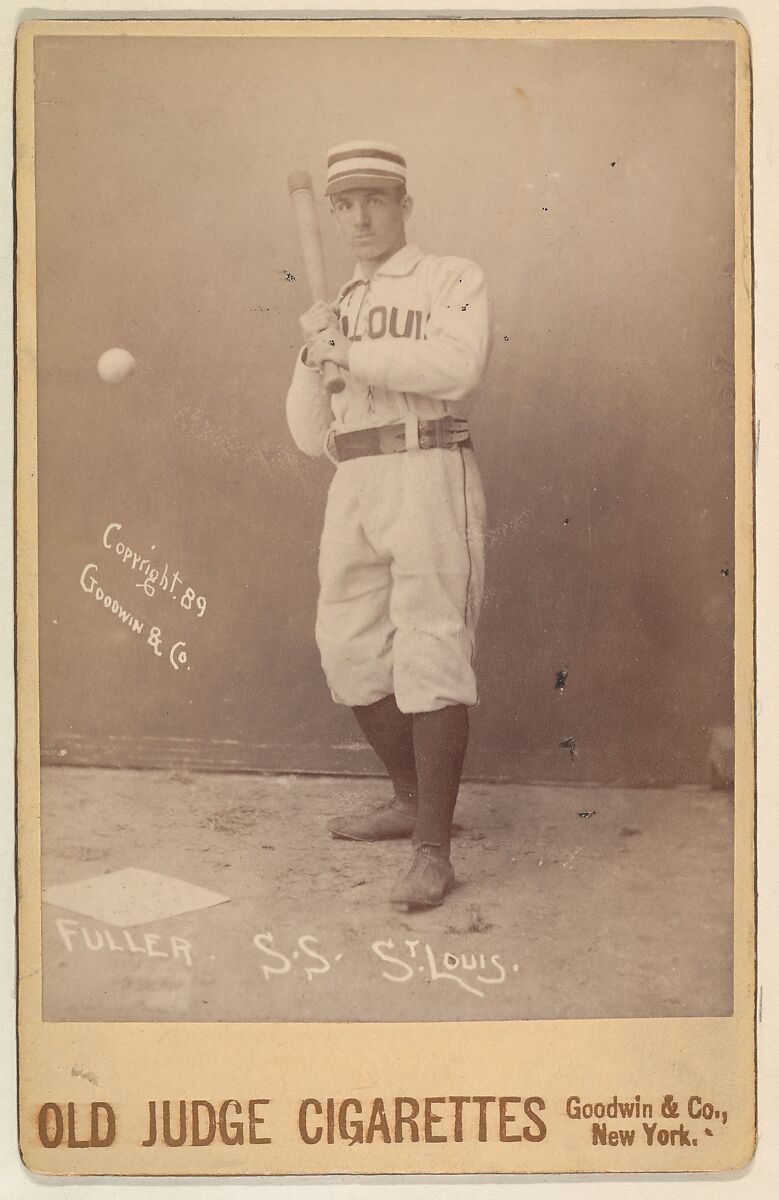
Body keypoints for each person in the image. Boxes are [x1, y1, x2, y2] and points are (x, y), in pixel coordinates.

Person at [285, 140, 490, 909]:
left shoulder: (449, 278)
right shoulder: (335, 303)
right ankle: (408, 798)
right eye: (346, 203)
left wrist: (358, 357)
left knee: (430, 645)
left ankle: (432, 849)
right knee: (348, 650)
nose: (362, 214)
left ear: (404, 204)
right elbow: (309, 436)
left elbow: (458, 366)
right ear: (334, 213)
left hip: (427, 467)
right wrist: (314, 358)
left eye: (377, 198)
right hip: (356, 479)